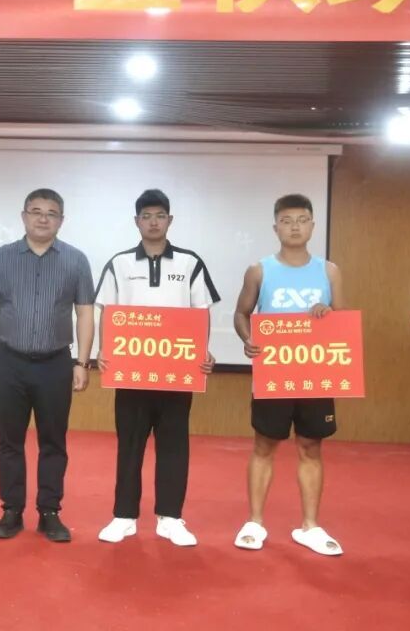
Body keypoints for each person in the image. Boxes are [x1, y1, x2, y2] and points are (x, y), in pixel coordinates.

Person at [95, 189, 218, 547]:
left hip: (176, 374)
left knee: (174, 445)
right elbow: (108, 311)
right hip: (131, 373)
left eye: (160, 215)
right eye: (146, 216)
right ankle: (124, 516)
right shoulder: (119, 263)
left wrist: (204, 350)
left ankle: (170, 517)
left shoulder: (190, 263)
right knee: (129, 445)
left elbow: (201, 312)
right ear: (137, 221)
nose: (153, 222)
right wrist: (104, 349)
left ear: (170, 220)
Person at [0, 189, 94, 542]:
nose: (43, 218)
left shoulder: (76, 261)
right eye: (36, 211)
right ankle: (11, 511)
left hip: (56, 363)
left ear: (61, 220)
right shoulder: (0, 258)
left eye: (51, 213)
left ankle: (49, 512)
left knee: (53, 441)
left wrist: (82, 362)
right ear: (23, 216)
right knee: (9, 441)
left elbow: (85, 313)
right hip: (8, 361)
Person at [233, 193, 344, 556]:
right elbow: (241, 313)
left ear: (313, 225)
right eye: (286, 221)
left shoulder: (329, 271)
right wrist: (248, 339)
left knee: (311, 446)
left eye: (302, 220)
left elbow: (344, 322)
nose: (295, 227)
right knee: (264, 445)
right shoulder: (259, 270)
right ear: (275, 227)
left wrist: (329, 313)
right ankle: (254, 521)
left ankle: (310, 526)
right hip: (273, 374)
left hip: (315, 373)